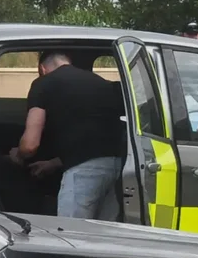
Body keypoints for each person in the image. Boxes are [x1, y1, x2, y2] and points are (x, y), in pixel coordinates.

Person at [12, 49, 128, 220]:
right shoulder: (102, 83)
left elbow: (30, 145)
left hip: (84, 173)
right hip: (120, 168)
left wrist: (18, 155)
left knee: (73, 234)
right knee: (103, 235)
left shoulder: (43, 83)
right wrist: (53, 163)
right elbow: (92, 140)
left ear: (42, 69)